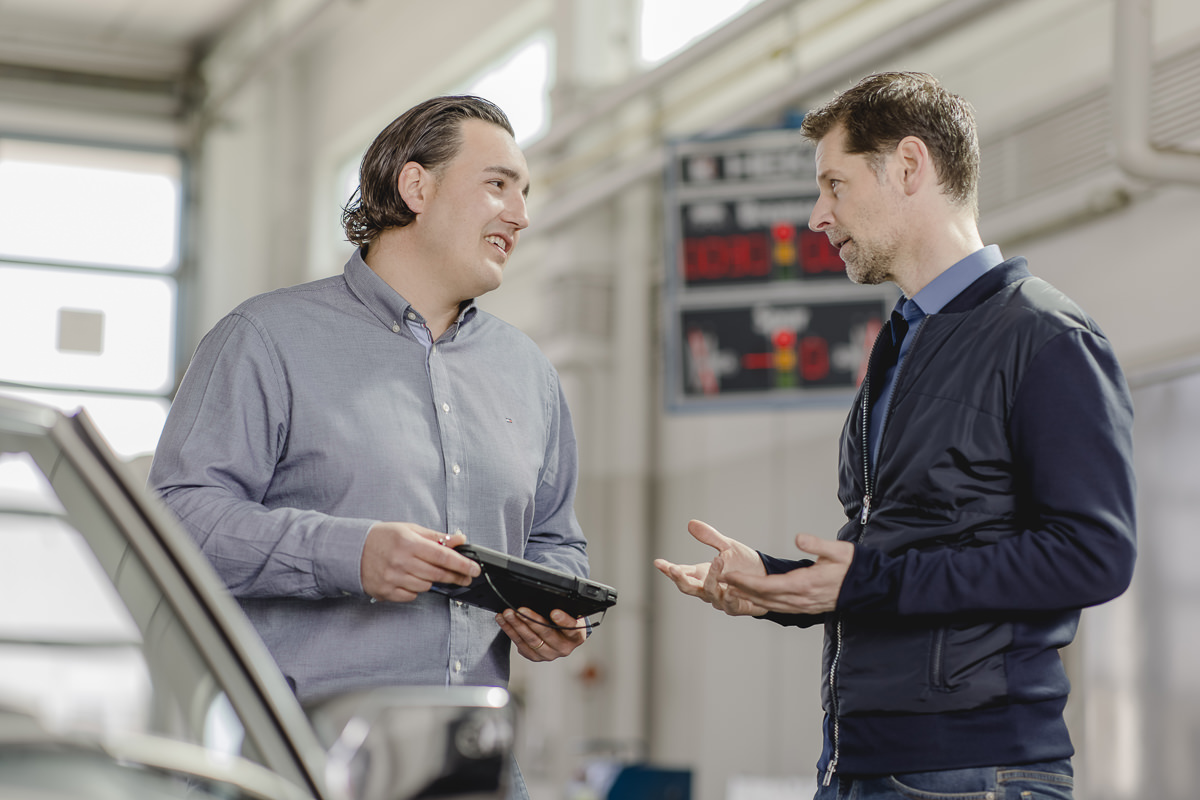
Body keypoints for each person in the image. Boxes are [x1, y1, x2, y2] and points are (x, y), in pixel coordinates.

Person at [654, 72, 1136, 800]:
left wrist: (869, 580)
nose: (818, 215)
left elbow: (1094, 555)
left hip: (972, 772)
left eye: (835, 186)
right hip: (862, 764)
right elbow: (902, 551)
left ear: (909, 166)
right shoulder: (903, 341)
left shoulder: (1045, 337)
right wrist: (781, 583)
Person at [149, 95, 590, 796]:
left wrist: (551, 607)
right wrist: (347, 554)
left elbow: (557, 539)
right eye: (499, 184)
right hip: (298, 767)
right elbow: (175, 520)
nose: (522, 215)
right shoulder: (266, 340)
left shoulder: (529, 374)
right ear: (417, 187)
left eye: (525, 192)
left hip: (471, 770)